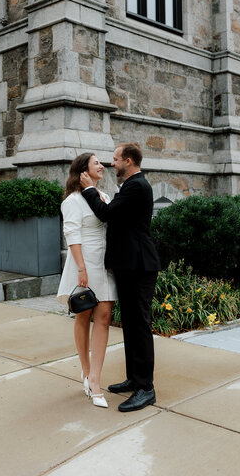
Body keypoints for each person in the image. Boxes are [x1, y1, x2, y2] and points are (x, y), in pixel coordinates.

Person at [80, 142, 160, 413]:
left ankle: (146, 389)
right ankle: (134, 379)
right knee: (130, 324)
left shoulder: (137, 185)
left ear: (128, 160)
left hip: (139, 266)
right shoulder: (130, 186)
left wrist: (89, 189)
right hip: (129, 266)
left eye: (115, 159)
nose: (112, 163)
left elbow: (107, 214)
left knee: (140, 325)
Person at [57, 153, 117, 408]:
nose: (102, 166)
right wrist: (81, 268)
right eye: (96, 163)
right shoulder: (72, 201)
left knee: (104, 317)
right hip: (84, 263)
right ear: (83, 171)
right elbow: (71, 234)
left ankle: (96, 378)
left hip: (104, 263)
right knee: (83, 315)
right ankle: (85, 371)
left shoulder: (103, 196)